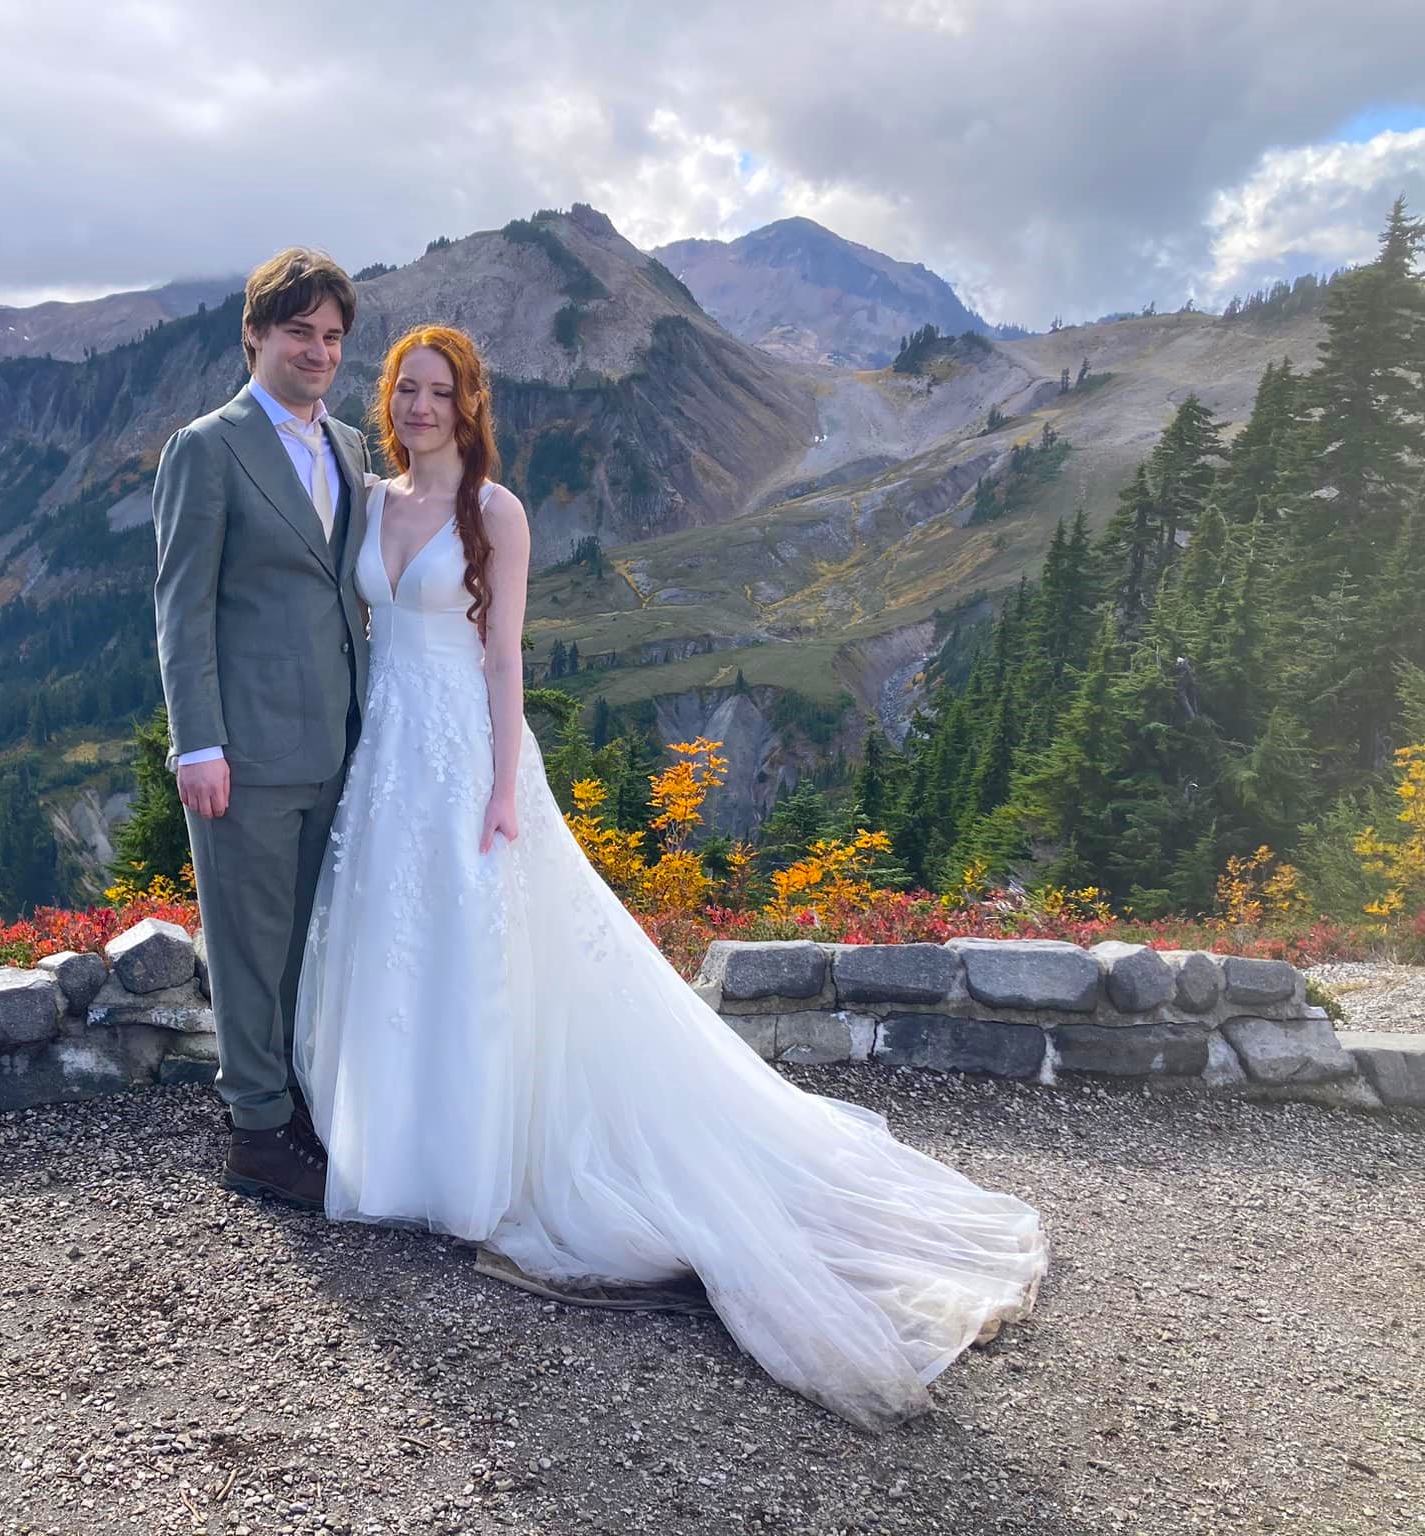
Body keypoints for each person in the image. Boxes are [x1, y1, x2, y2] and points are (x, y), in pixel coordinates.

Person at [292, 323, 1047, 1431]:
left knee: (481, 953)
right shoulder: (369, 500)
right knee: (399, 950)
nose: (418, 406)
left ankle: (469, 1165)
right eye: (405, 388)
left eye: (438, 391)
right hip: (389, 758)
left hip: (463, 755)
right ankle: (397, 1152)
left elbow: (502, 656)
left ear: (468, 403)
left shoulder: (495, 513)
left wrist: (502, 787)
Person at [152, 248, 369, 1208]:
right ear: (254, 334)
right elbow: (181, 606)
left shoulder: (350, 447)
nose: (318, 351)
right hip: (243, 752)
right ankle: (256, 1134)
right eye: (298, 332)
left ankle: (289, 1100)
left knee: (305, 944)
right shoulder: (207, 447)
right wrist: (197, 743)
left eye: (332, 336)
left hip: (339, 744)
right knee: (247, 944)